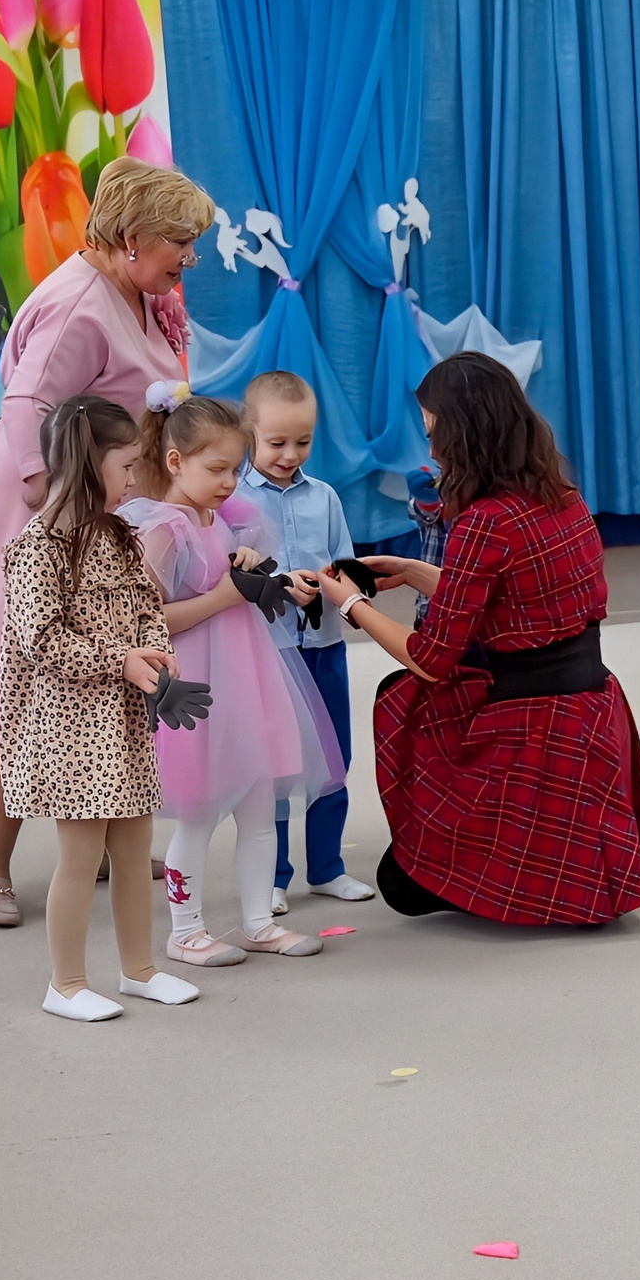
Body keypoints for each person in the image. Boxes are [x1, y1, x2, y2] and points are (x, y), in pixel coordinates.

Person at [0, 159, 214, 927]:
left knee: (111, 682)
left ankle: (106, 841)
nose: (189, 258)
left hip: (99, 508)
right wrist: (58, 510)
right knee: (20, 689)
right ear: (131, 234)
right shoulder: (79, 303)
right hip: (41, 511)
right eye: (181, 241)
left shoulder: (135, 290)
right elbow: (26, 407)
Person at [317, 352, 640, 924]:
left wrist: (349, 603)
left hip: (530, 721)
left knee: (407, 700)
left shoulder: (484, 522)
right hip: (592, 708)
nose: (429, 450)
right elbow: (520, 597)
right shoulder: (563, 498)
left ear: (464, 435)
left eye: (433, 432)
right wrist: (415, 570)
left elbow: (430, 660)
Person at [2, 396, 201, 1021]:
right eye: (126, 466)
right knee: (82, 855)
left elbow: (148, 605)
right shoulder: (38, 546)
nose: (134, 480)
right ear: (90, 462)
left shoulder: (119, 536)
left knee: (136, 840)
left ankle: (139, 969)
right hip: (69, 722)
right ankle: (64, 983)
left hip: (121, 716)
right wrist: (120, 660)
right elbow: (40, 638)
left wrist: (156, 654)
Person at [122, 392, 329, 965]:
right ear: (173, 462)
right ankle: (184, 929)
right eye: (215, 470)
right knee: (199, 810)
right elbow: (148, 618)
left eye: (235, 469)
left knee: (260, 806)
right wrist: (222, 596)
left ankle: (258, 921)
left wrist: (259, 572)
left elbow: (251, 571)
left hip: (250, 676)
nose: (228, 482)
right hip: (199, 683)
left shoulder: (231, 518)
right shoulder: (161, 529)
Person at [237, 371, 377, 914]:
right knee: (274, 766)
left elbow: (344, 564)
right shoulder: (235, 504)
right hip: (269, 656)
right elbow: (230, 577)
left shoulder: (325, 498)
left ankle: (327, 868)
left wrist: (340, 585)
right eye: (276, 442)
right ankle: (273, 875)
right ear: (249, 431)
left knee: (332, 757)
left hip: (323, 646)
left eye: (303, 441)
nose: (291, 453)